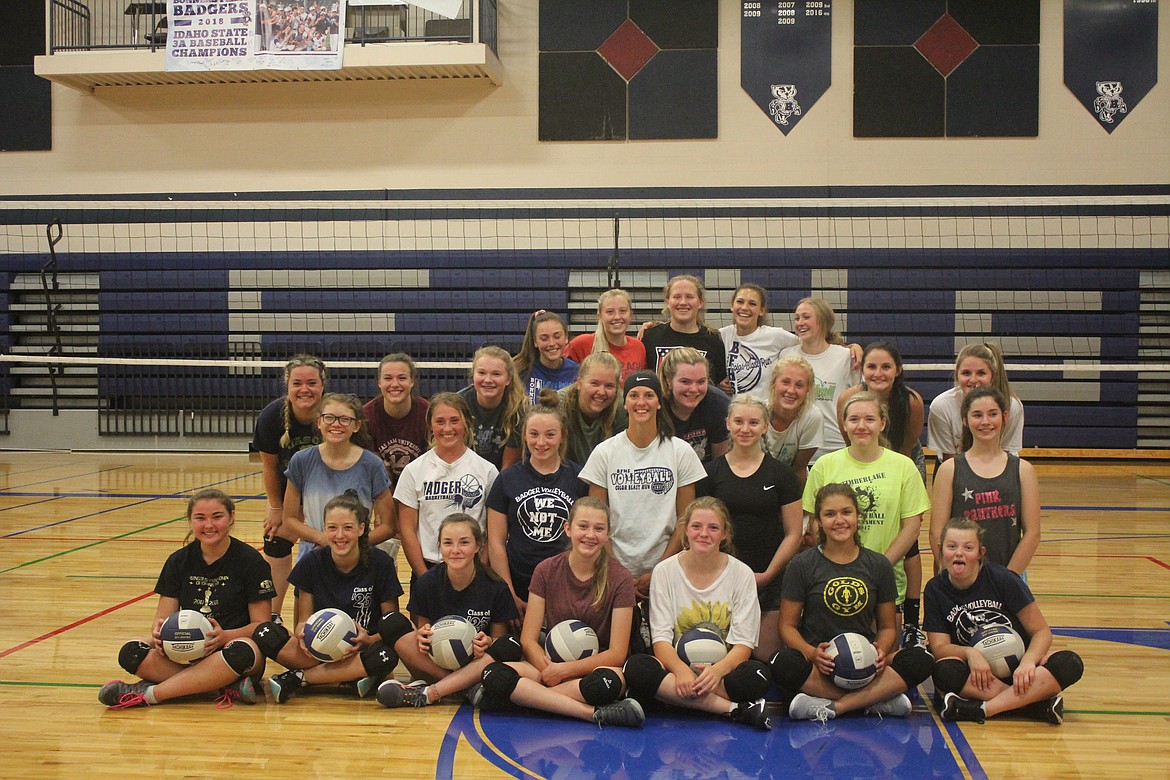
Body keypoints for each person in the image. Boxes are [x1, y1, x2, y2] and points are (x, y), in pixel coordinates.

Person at [770, 483, 934, 721]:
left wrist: (880, 651)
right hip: (821, 665)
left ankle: (834, 706)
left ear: (858, 516)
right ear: (818, 521)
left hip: (866, 662)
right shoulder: (802, 565)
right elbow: (787, 627)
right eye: (830, 514)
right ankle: (873, 700)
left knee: (921, 658)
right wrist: (812, 653)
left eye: (846, 512)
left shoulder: (878, 565)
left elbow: (888, 628)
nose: (839, 520)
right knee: (781, 662)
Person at [98, 489, 276, 709]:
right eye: (200, 518)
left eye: (217, 516)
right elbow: (162, 619)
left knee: (244, 650)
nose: (209, 525)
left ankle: (150, 694)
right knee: (131, 651)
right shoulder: (178, 561)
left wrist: (223, 637)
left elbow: (261, 625)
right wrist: (160, 636)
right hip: (187, 651)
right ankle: (222, 687)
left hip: (232, 651)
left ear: (232, 517)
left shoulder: (250, 561)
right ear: (190, 521)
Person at [475, 498, 645, 727]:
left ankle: (530, 699)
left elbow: (617, 653)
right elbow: (528, 639)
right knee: (492, 673)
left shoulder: (620, 577)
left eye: (599, 528)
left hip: (594, 668)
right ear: (568, 528)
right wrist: (548, 670)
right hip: (550, 665)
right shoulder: (546, 570)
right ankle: (591, 713)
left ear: (608, 534)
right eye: (583, 526)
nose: (590, 535)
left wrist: (564, 672)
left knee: (608, 683)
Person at [623, 498, 774, 730]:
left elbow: (744, 644)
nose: (704, 534)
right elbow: (661, 640)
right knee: (636, 667)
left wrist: (716, 671)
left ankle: (674, 698)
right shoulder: (664, 571)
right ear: (685, 530)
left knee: (758, 675)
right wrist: (681, 671)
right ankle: (734, 709)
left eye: (713, 528)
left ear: (725, 533)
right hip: (676, 668)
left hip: (720, 672)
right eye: (696, 527)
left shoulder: (742, 574)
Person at [926, 518, 1082, 725]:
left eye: (968, 547)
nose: (959, 553)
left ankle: (983, 710)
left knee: (1069, 663)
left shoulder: (1003, 579)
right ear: (940, 550)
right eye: (952, 546)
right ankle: (1033, 705)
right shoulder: (935, 589)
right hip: (980, 677)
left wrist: (1028, 662)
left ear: (981, 553)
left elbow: (1041, 632)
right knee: (943, 671)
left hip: (1019, 672)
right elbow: (939, 648)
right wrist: (969, 653)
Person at [255, 494, 403, 703]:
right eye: (332, 527)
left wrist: (368, 640)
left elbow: (392, 624)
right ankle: (348, 675)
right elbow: (302, 622)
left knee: (387, 654)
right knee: (264, 633)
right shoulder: (311, 562)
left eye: (348, 528)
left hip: (360, 650)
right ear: (324, 529)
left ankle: (300, 677)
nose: (340, 535)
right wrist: (303, 637)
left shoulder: (381, 563)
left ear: (361, 529)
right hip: (317, 650)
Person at [803, 392, 930, 626]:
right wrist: (840, 564)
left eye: (870, 419)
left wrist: (877, 567)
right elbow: (813, 521)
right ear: (844, 424)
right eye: (854, 420)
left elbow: (911, 528)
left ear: (882, 423)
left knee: (882, 655)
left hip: (885, 580)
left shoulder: (904, 467)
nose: (862, 426)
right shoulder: (824, 466)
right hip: (833, 578)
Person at [579, 370, 706, 599]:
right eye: (634, 396)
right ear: (624, 403)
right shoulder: (605, 453)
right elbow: (595, 521)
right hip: (612, 569)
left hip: (668, 568)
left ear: (659, 402)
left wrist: (660, 569)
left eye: (649, 395)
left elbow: (686, 520)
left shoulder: (680, 452)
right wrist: (616, 570)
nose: (641, 402)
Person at [376, 513, 522, 708]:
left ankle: (435, 690)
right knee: (391, 622)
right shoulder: (427, 583)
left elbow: (498, 640)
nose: (455, 550)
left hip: (475, 663)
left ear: (478, 545)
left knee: (508, 645)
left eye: (464, 543)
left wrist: (487, 643)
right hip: (438, 664)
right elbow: (423, 631)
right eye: (447, 543)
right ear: (439, 546)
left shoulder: (496, 586)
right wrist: (423, 636)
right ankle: (463, 687)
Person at [698, 395, 804, 660]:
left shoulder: (781, 474)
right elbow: (701, 533)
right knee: (720, 656)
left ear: (765, 426)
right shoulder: (710, 474)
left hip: (767, 578)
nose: (745, 429)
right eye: (739, 422)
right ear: (728, 424)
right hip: (720, 580)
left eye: (753, 422)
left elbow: (794, 532)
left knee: (765, 657)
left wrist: (767, 575)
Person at [838, 340, 927, 648]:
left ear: (898, 370)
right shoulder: (849, 398)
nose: (878, 373)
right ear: (862, 371)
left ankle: (913, 622)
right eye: (872, 366)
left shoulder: (911, 402)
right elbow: (848, 438)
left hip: (900, 458)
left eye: (886, 366)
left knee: (908, 540)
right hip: (861, 453)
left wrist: (891, 476)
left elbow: (905, 447)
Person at [281, 393, 395, 625]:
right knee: (305, 637)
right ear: (319, 422)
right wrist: (323, 539)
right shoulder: (301, 461)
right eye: (330, 417)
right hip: (312, 560)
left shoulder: (371, 465)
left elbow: (389, 525)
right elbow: (289, 519)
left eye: (345, 419)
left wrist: (355, 543)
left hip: (358, 565)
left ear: (356, 426)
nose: (336, 424)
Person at [487, 403, 589, 620]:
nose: (541, 442)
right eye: (534, 434)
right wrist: (509, 593)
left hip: (567, 585)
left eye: (550, 435)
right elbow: (495, 542)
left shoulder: (579, 479)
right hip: (520, 582)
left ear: (563, 436)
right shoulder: (507, 479)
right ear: (524, 435)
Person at [930, 387, 1041, 574]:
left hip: (1009, 579)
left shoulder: (1023, 470)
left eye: (992, 414)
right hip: (962, 579)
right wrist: (958, 574)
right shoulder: (949, 470)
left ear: (1005, 417)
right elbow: (936, 533)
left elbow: (1033, 533)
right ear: (965, 420)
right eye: (977, 415)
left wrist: (1006, 581)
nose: (985, 421)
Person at [252, 354, 326, 619]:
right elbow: (270, 467)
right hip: (290, 493)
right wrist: (276, 508)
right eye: (297, 383)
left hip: (330, 495)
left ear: (322, 385)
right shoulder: (271, 417)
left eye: (311, 383)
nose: (304, 389)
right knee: (276, 536)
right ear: (288, 386)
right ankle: (272, 614)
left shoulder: (334, 413)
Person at [395, 392, 499, 580]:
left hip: (473, 568)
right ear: (430, 425)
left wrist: (479, 571)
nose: (448, 428)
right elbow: (407, 531)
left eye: (454, 420)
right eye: (440, 421)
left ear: (466, 423)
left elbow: (493, 532)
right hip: (428, 567)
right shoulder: (413, 471)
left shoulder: (487, 471)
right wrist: (424, 577)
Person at [778, 298, 861, 460]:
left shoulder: (846, 357)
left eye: (806, 317)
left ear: (823, 321)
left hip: (835, 447)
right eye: (797, 318)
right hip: (797, 447)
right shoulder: (786, 355)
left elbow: (859, 402)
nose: (800, 322)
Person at [928, 342, 1025, 461]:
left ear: (993, 376)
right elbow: (949, 461)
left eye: (981, 373)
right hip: (954, 465)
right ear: (957, 375)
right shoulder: (941, 406)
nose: (973, 380)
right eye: (966, 373)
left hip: (1000, 465)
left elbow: (1004, 459)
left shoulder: (1012, 406)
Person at [639, 275, 728, 386]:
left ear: (700, 302)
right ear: (668, 302)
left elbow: (719, 383)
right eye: (677, 297)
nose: (683, 302)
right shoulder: (650, 336)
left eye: (689, 297)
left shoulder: (714, 340)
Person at [719, 282, 798, 401]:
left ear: (761, 310)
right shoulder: (721, 336)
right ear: (732, 305)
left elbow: (807, 344)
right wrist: (719, 382)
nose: (744, 308)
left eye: (752, 304)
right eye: (740, 302)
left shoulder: (775, 336)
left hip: (765, 412)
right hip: (734, 412)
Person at [362, 352, 430, 489]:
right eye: (388, 378)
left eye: (402, 378)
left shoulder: (428, 413)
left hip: (421, 487)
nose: (395, 384)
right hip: (379, 491)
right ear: (379, 382)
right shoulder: (366, 416)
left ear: (412, 381)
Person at [458, 345, 527, 471]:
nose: (488, 380)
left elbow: (508, 467)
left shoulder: (518, 410)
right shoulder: (458, 405)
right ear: (473, 375)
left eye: (496, 374)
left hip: (500, 477)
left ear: (508, 379)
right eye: (482, 373)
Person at [553, 351, 627, 467]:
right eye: (594, 384)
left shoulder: (623, 408)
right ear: (579, 383)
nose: (601, 392)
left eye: (609, 386)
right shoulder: (558, 405)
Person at [658, 346, 731, 465]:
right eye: (685, 382)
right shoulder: (655, 406)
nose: (694, 389)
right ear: (669, 381)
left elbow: (720, 466)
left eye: (701, 381)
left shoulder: (719, 405)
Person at [563, 288, 646, 383]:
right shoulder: (580, 344)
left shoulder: (638, 347)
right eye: (610, 312)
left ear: (631, 314)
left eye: (623, 311)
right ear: (600, 316)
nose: (617, 317)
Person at [764, 354, 823, 484]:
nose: (791, 390)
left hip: (790, 481)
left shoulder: (812, 417)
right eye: (785, 382)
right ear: (774, 383)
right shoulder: (759, 413)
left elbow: (799, 469)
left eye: (799, 385)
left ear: (808, 389)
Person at [514, 311, 580, 405]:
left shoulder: (577, 372)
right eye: (544, 339)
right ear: (535, 342)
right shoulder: (521, 372)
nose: (552, 343)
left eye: (557, 336)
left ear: (566, 337)